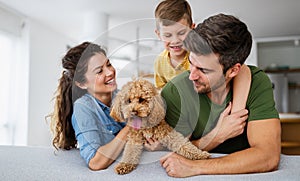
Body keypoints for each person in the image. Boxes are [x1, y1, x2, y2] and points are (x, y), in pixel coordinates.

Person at [159, 13, 281, 177]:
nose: (192, 76)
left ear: (233, 70)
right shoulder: (174, 92)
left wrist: (196, 168)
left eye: (203, 70)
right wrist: (216, 136)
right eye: (191, 63)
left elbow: (267, 156)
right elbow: (173, 156)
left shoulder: (256, 83)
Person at [145, 0, 251, 151]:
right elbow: (161, 94)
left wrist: (236, 112)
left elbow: (243, 70)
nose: (175, 41)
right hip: (180, 116)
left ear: (192, 29)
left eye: (181, 33)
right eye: (168, 35)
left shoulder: (200, 52)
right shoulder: (160, 62)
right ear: (158, 34)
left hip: (203, 114)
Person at [49, 42, 130, 171]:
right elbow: (95, 162)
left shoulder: (125, 96)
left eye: (109, 64)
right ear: (81, 83)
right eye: (99, 71)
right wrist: (131, 128)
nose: (110, 72)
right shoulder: (83, 108)